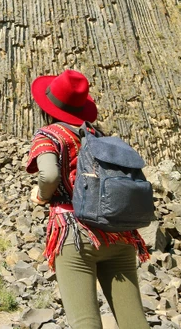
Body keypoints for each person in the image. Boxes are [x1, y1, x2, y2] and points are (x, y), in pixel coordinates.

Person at [26, 70, 150, 329]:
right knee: (134, 322)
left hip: (74, 234)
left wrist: (40, 195)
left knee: (85, 322)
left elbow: (48, 175)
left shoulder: (49, 134)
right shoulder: (101, 136)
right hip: (118, 231)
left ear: (48, 106)